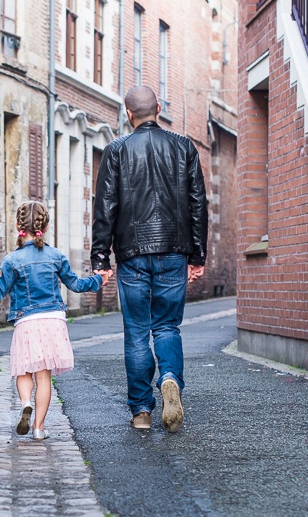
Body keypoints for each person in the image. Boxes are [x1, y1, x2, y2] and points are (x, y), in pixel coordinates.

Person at [90, 85, 209, 433]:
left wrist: (101, 259)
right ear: (159, 108)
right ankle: (170, 377)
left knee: (137, 332)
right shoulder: (185, 147)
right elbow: (198, 204)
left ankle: (141, 410)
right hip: (174, 250)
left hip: (132, 255)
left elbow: (105, 208)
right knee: (167, 326)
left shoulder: (115, 152)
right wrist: (197, 254)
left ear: (129, 114)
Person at [0, 201, 104, 439]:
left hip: (27, 322)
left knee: (23, 371)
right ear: (45, 226)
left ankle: (25, 401)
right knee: (43, 376)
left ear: (18, 226)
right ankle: (39, 428)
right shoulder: (56, 256)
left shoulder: (11, 260)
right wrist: (98, 280)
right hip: (53, 321)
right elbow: (76, 285)